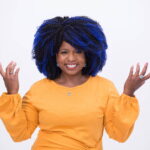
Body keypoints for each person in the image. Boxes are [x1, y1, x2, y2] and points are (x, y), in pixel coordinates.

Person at [0, 16, 150, 150]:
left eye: (78, 51)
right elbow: (20, 134)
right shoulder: (38, 90)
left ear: (89, 54)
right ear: (53, 56)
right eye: (64, 52)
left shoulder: (104, 88)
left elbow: (119, 134)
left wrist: (128, 93)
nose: (71, 58)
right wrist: (12, 93)